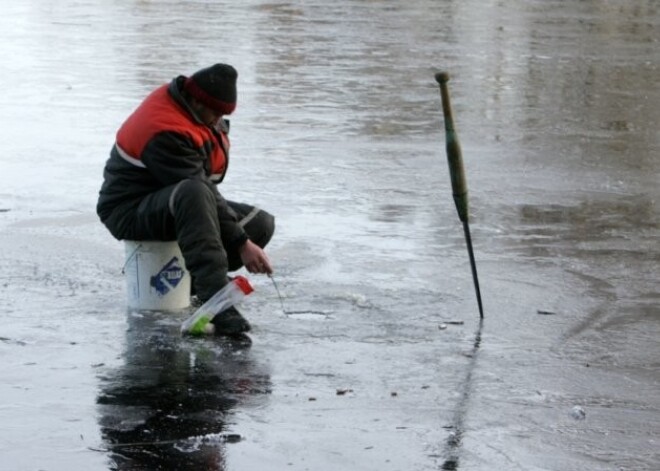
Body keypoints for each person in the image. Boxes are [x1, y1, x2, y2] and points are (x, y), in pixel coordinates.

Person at [97, 63, 274, 336]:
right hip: (129, 210)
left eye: (223, 114)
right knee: (196, 194)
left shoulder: (195, 112)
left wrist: (245, 239)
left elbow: (205, 191)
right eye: (214, 112)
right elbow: (198, 190)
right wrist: (240, 242)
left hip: (173, 202)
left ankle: (191, 281)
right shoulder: (164, 130)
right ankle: (214, 298)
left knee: (259, 223)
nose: (217, 119)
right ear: (194, 100)